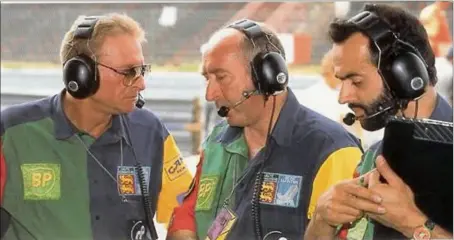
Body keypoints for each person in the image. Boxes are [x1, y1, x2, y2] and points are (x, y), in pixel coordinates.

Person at [166, 19, 364, 240]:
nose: (210, 94)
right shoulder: (217, 141)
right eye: (207, 78)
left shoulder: (332, 150)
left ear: (267, 76)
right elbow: (187, 216)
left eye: (221, 77)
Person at [0, 13, 193, 240]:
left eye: (142, 70)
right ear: (81, 74)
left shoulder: (150, 131)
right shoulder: (11, 132)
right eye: (129, 72)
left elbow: (186, 210)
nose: (141, 83)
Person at [304, 4, 453, 240]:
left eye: (356, 81)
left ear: (404, 74)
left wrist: (412, 224)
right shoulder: (374, 159)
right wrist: (322, 222)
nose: (343, 97)